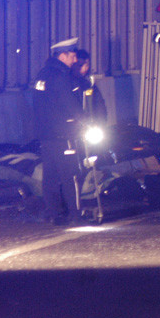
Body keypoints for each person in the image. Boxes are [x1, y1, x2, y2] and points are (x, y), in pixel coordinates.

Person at [32, 37, 85, 225]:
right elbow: (70, 104)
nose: (74, 60)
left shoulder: (42, 74)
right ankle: (76, 214)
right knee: (71, 175)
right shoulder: (62, 76)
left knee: (51, 176)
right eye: (72, 56)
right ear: (63, 56)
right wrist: (84, 121)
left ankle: (53, 213)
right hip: (64, 134)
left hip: (46, 135)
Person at [72, 49, 108, 124]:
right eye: (81, 65)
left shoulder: (89, 83)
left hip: (90, 125)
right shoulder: (69, 83)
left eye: (87, 65)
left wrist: (101, 122)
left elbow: (99, 104)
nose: (85, 68)